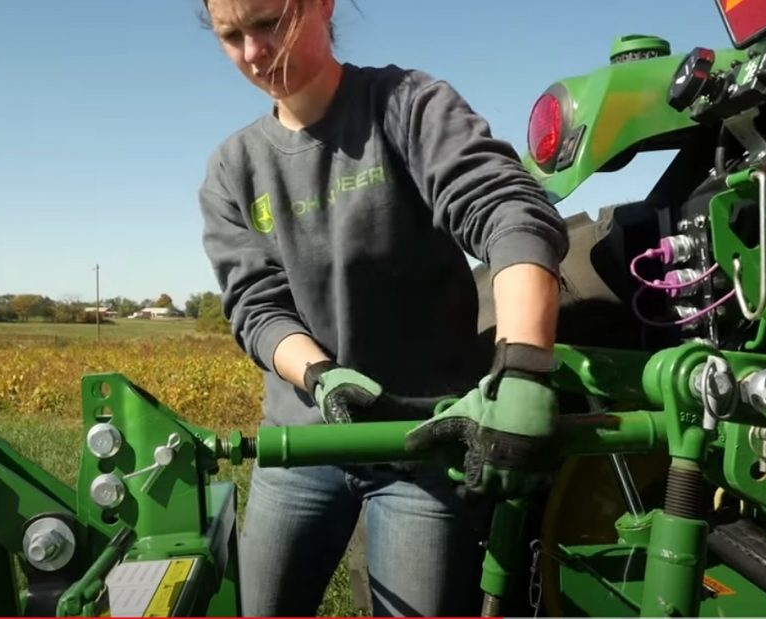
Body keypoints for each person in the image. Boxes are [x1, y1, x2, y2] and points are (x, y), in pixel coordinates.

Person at [197, 0, 569, 615]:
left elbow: (509, 213)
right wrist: (319, 377)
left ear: (322, 6)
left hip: (422, 443)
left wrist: (526, 365)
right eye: (231, 36)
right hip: (303, 444)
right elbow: (257, 307)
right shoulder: (234, 169)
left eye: (268, 24)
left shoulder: (406, 106)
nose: (255, 53)